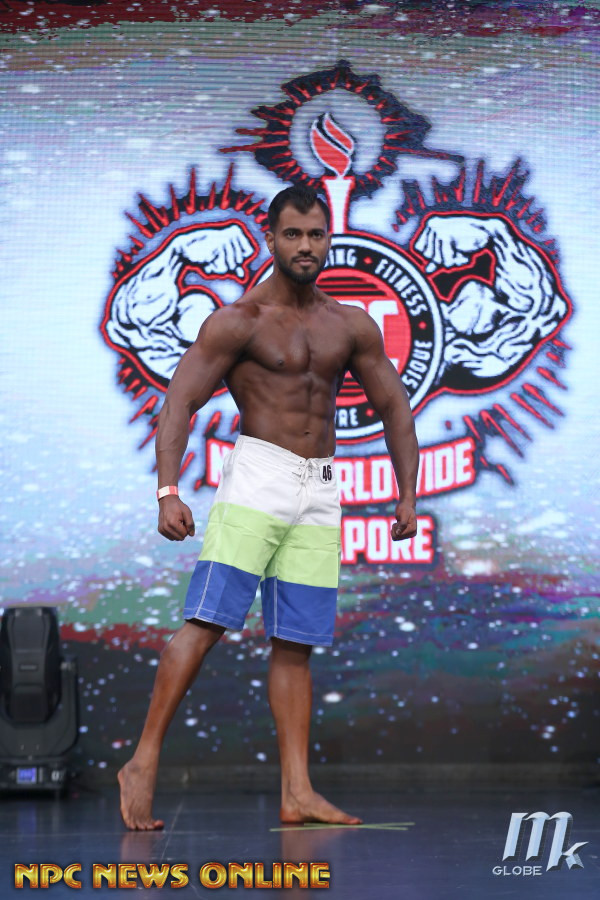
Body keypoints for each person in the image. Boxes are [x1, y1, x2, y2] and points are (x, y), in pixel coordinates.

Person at [118, 184, 419, 831]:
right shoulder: (240, 321)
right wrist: (167, 491)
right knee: (206, 623)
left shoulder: (349, 324)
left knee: (296, 642)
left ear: (329, 238)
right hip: (259, 479)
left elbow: (394, 404)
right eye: (293, 234)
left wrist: (407, 491)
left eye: (315, 234)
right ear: (272, 238)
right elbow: (180, 401)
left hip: (321, 486)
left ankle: (297, 792)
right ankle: (142, 761)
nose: (306, 246)